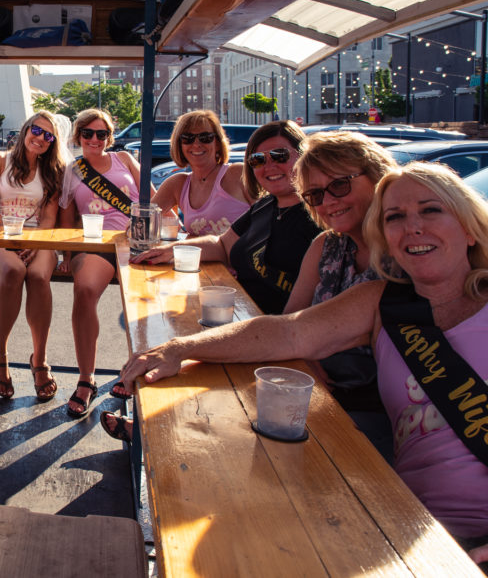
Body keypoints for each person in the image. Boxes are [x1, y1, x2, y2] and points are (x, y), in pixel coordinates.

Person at [120, 162, 488, 566]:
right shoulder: (383, 302)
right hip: (406, 522)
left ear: (469, 227)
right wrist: (179, 348)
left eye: (431, 210)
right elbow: (288, 332)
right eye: (395, 217)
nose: (412, 227)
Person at [283, 131, 398, 458]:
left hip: (385, 414)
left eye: (340, 185)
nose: (329, 201)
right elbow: (287, 321)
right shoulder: (327, 245)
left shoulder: (408, 248)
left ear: (378, 177)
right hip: (323, 397)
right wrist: (304, 358)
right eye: (316, 195)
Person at [133, 120, 321, 315]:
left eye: (279, 156)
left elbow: (295, 321)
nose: (269, 166)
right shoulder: (266, 206)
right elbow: (222, 245)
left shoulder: (320, 216)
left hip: (268, 330)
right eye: (258, 159)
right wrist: (171, 251)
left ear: (304, 156)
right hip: (236, 309)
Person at [57, 108, 148, 418]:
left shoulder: (125, 160)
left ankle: (135, 369)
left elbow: (151, 197)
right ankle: (86, 379)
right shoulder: (73, 171)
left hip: (136, 241)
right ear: (78, 136)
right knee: (83, 291)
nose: (95, 139)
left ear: (110, 137)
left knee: (145, 302)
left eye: (102, 134)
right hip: (97, 243)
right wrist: (67, 255)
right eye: (88, 133)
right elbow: (67, 219)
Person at [0, 111, 65, 400]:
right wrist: (8, 234)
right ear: (25, 129)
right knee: (14, 271)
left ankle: (39, 360)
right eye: (36, 130)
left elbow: (48, 218)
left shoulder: (53, 170)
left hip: (36, 239)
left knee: (39, 275)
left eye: (48, 136)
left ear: (53, 142)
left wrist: (37, 242)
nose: (40, 138)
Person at [150, 109, 250, 237]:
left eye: (205, 138)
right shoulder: (178, 184)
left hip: (241, 256)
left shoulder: (237, 173)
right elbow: (141, 220)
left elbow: (267, 217)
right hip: (198, 257)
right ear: (179, 145)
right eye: (187, 138)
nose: (196, 144)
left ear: (218, 144)